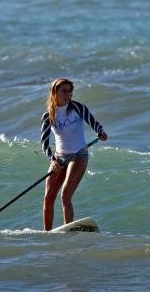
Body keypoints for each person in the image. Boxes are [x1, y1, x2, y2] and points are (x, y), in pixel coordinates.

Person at [40, 78, 107, 231]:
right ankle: (47, 234)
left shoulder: (78, 108)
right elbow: (44, 142)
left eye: (70, 91)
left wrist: (100, 132)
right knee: (48, 198)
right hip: (59, 157)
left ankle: (68, 231)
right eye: (64, 91)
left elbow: (94, 122)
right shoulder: (48, 115)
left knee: (65, 195)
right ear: (54, 92)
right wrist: (53, 160)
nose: (68, 94)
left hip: (79, 155)